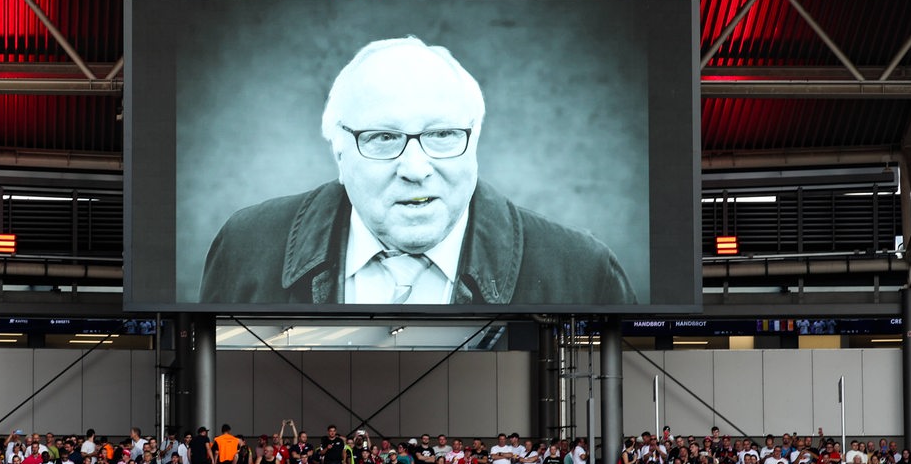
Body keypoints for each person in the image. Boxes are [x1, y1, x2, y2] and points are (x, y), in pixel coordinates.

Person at [200, 36, 637, 306]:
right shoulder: (246, 246)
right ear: (339, 152)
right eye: (383, 138)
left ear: (475, 142)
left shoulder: (585, 272)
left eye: (443, 135)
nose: (415, 169)